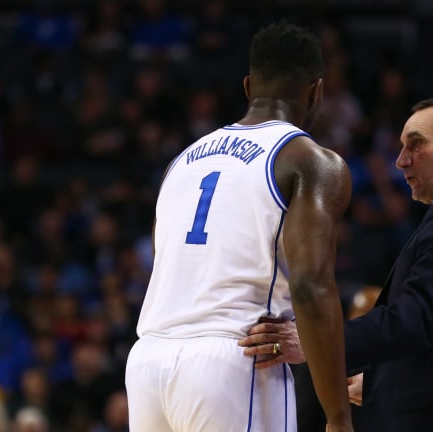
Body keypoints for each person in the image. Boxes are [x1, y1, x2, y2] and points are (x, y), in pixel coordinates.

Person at [240, 95, 433, 431]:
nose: (400, 161)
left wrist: (315, 341)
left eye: (415, 145)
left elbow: (417, 318)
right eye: (401, 147)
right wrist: (378, 385)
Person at [124, 22, 354, 432]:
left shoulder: (182, 161)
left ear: (249, 87)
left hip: (148, 362)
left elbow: (169, 264)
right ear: (316, 90)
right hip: (235, 358)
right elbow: (312, 284)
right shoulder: (309, 159)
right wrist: (337, 416)